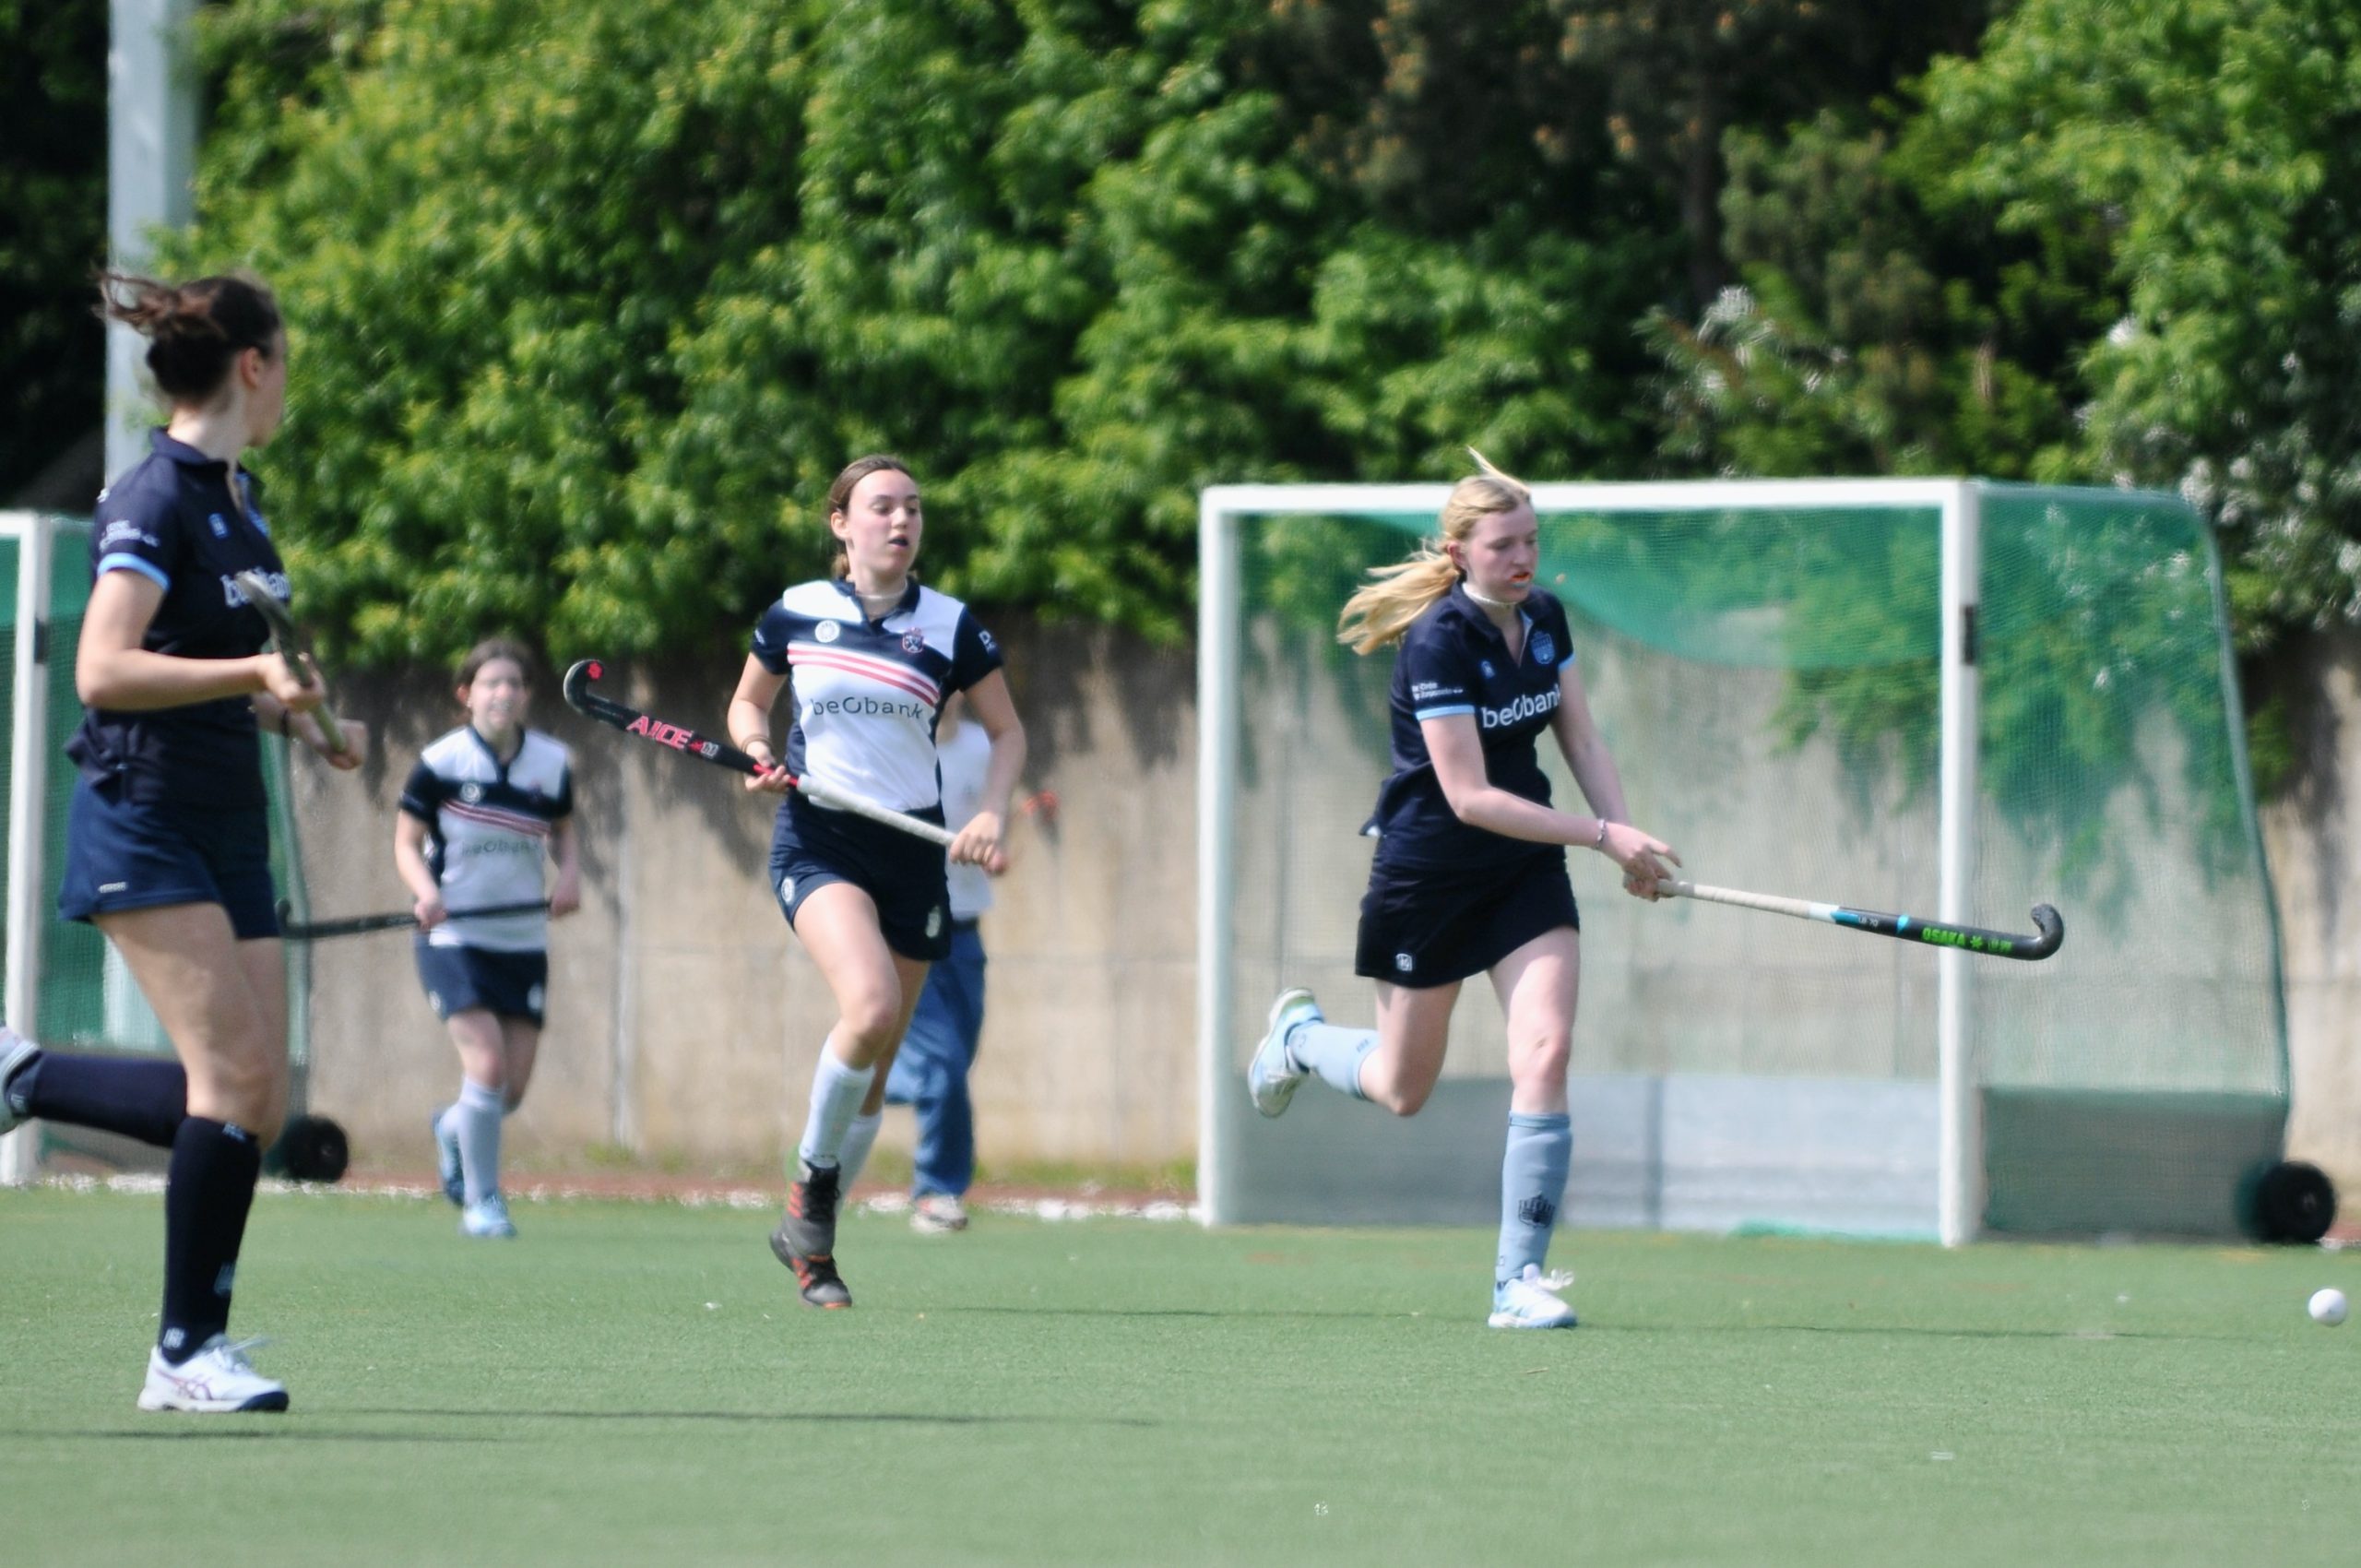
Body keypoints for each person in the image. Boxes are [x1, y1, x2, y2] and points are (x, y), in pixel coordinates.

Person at [0, 270, 371, 1411]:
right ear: (253, 365)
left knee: (253, 1099)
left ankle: (23, 1075)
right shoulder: (153, 495)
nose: (288, 380)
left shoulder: (236, 496)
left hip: (226, 814)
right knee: (237, 1079)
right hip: (146, 811)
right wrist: (256, 668)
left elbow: (201, 663)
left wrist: (295, 718)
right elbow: (104, 667)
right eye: (286, 359)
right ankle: (184, 1350)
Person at [1247, 452, 1677, 1330]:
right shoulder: (1437, 640)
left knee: (1546, 1052)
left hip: (1523, 869)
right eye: (1503, 545)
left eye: (1532, 541)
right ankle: (1299, 1040)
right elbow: (1470, 797)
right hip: (1430, 875)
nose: (1523, 559)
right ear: (1458, 552)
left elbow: (1582, 741)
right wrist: (1601, 835)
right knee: (1403, 1088)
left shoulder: (1545, 617)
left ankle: (1517, 1282)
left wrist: (1625, 839)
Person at [728, 455, 1026, 1307]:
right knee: (869, 1008)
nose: (901, 521)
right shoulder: (797, 611)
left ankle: (809, 1240)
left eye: (913, 508)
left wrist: (992, 812)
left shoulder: (951, 625)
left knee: (878, 1063)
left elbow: (1008, 734)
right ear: (841, 523)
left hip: (912, 852)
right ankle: (812, 1194)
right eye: (883, 507)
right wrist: (757, 751)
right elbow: (748, 704)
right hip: (820, 842)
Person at [396, 637, 581, 1240]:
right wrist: (426, 892)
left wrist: (569, 876)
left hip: (522, 940)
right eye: (491, 683)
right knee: (488, 1064)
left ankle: (453, 1129)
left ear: (527, 696)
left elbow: (562, 830)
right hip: (453, 938)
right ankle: (483, 1202)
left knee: (510, 1090)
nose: (504, 693)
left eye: (514, 684)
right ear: (466, 695)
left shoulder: (551, 762)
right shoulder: (441, 761)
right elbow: (405, 842)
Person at [828, 690, 1007, 1234]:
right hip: (906, 927)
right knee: (943, 1066)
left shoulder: (982, 748)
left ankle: (846, 1096)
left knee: (954, 1061)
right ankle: (937, 1191)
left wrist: (995, 847)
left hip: (964, 929)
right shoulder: (895, 747)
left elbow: (995, 824)